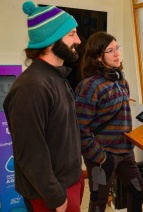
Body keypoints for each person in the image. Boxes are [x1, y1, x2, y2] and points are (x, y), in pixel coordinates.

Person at [3, 1, 83, 211]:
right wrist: (55, 197)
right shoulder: (31, 87)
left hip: (68, 182)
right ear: (52, 41)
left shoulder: (56, 77)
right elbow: (30, 152)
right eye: (72, 34)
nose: (78, 40)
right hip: (51, 194)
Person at [75, 31, 143, 212]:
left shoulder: (122, 82)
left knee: (137, 188)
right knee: (99, 202)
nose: (117, 54)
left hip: (125, 152)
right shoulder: (89, 87)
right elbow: (79, 128)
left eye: (117, 48)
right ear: (98, 57)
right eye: (110, 50)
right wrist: (101, 157)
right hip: (102, 156)